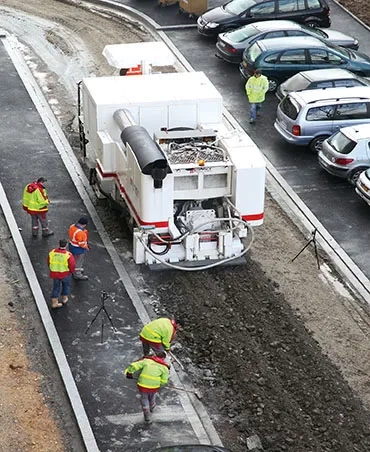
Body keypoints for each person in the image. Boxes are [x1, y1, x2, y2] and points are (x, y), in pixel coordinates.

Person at [125, 353, 170, 424]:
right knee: (152, 396)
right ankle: (152, 406)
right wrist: (160, 383)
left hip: (142, 384)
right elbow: (164, 381)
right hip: (154, 386)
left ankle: (146, 411)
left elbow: (134, 365)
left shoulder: (147, 361)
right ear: (163, 358)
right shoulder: (165, 368)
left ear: (155, 356)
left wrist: (129, 373)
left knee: (144, 397)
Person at [47, 239, 76, 309]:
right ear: (66, 245)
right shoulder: (68, 255)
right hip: (65, 274)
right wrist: (71, 271)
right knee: (66, 286)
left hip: (55, 274)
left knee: (56, 288)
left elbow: (48, 262)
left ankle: (54, 303)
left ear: (59, 244)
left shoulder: (52, 252)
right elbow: (72, 265)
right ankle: (64, 299)